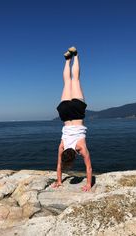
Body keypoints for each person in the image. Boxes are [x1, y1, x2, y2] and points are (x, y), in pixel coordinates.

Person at [50, 46, 93, 192]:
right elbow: (59, 166)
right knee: (68, 82)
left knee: (74, 80)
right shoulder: (62, 146)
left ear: (74, 156)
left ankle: (76, 55)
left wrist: (88, 184)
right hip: (65, 114)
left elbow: (89, 167)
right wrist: (59, 181)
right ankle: (68, 59)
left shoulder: (80, 148)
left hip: (77, 111)